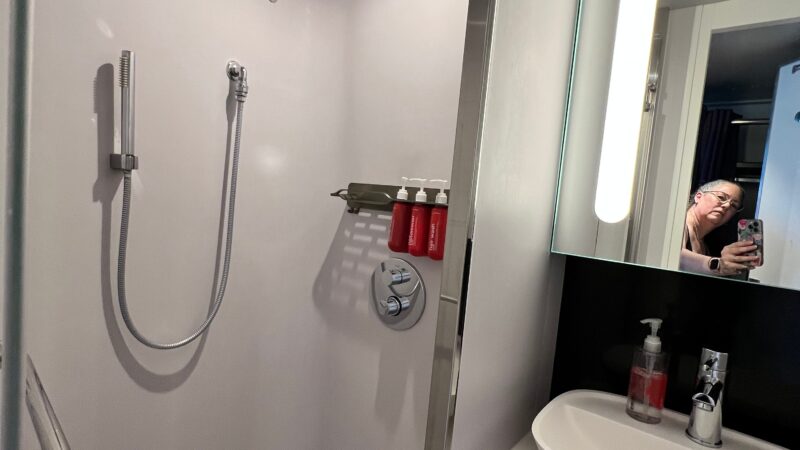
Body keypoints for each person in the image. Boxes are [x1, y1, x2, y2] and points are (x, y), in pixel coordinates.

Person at [680, 179, 759, 276]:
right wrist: (719, 265)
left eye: (734, 205)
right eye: (721, 197)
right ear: (698, 197)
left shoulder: (704, 246)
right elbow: (676, 255)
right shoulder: (679, 222)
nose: (726, 205)